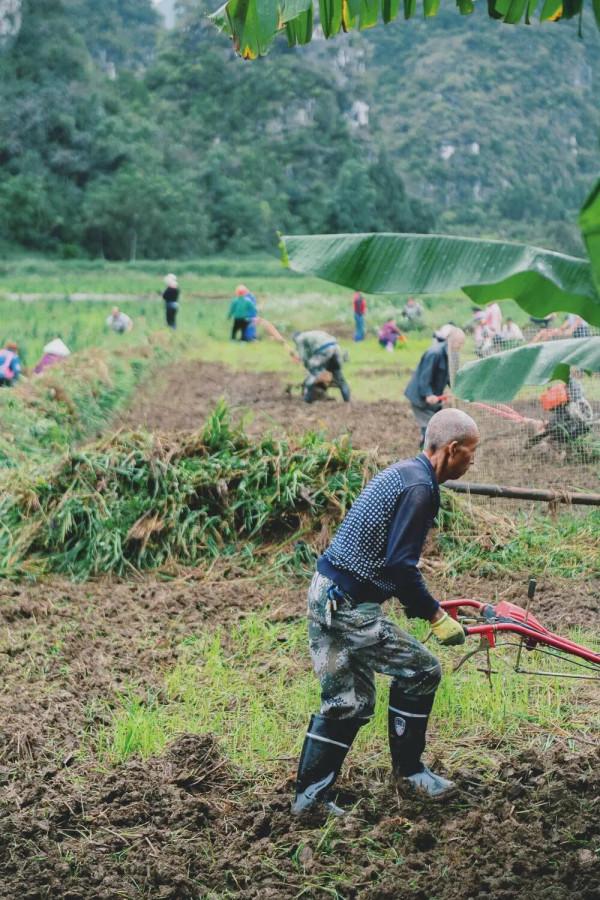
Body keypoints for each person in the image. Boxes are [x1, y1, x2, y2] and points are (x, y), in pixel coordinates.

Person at [291, 408, 479, 817]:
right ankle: (410, 775)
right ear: (452, 449)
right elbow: (399, 565)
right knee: (423, 670)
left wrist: (425, 606)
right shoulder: (420, 489)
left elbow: (389, 564)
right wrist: (433, 615)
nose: (471, 461)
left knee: (348, 702)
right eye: (471, 453)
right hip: (347, 606)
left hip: (326, 593)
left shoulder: (406, 473)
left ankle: (310, 800)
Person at [404, 326, 465, 448]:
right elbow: (424, 377)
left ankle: (425, 447)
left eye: (462, 343)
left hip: (435, 398)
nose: (461, 346)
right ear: (450, 340)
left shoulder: (452, 355)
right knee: (432, 428)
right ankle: (426, 452)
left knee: (434, 425)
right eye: (459, 343)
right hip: (420, 396)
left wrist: (457, 391)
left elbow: (451, 376)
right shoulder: (434, 354)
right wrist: (428, 394)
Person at [292, 330, 351, 403]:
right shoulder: (311, 335)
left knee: (313, 374)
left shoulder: (299, 338)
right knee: (338, 375)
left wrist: (308, 367)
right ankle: (347, 401)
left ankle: (307, 400)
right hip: (336, 347)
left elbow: (302, 356)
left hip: (324, 350)